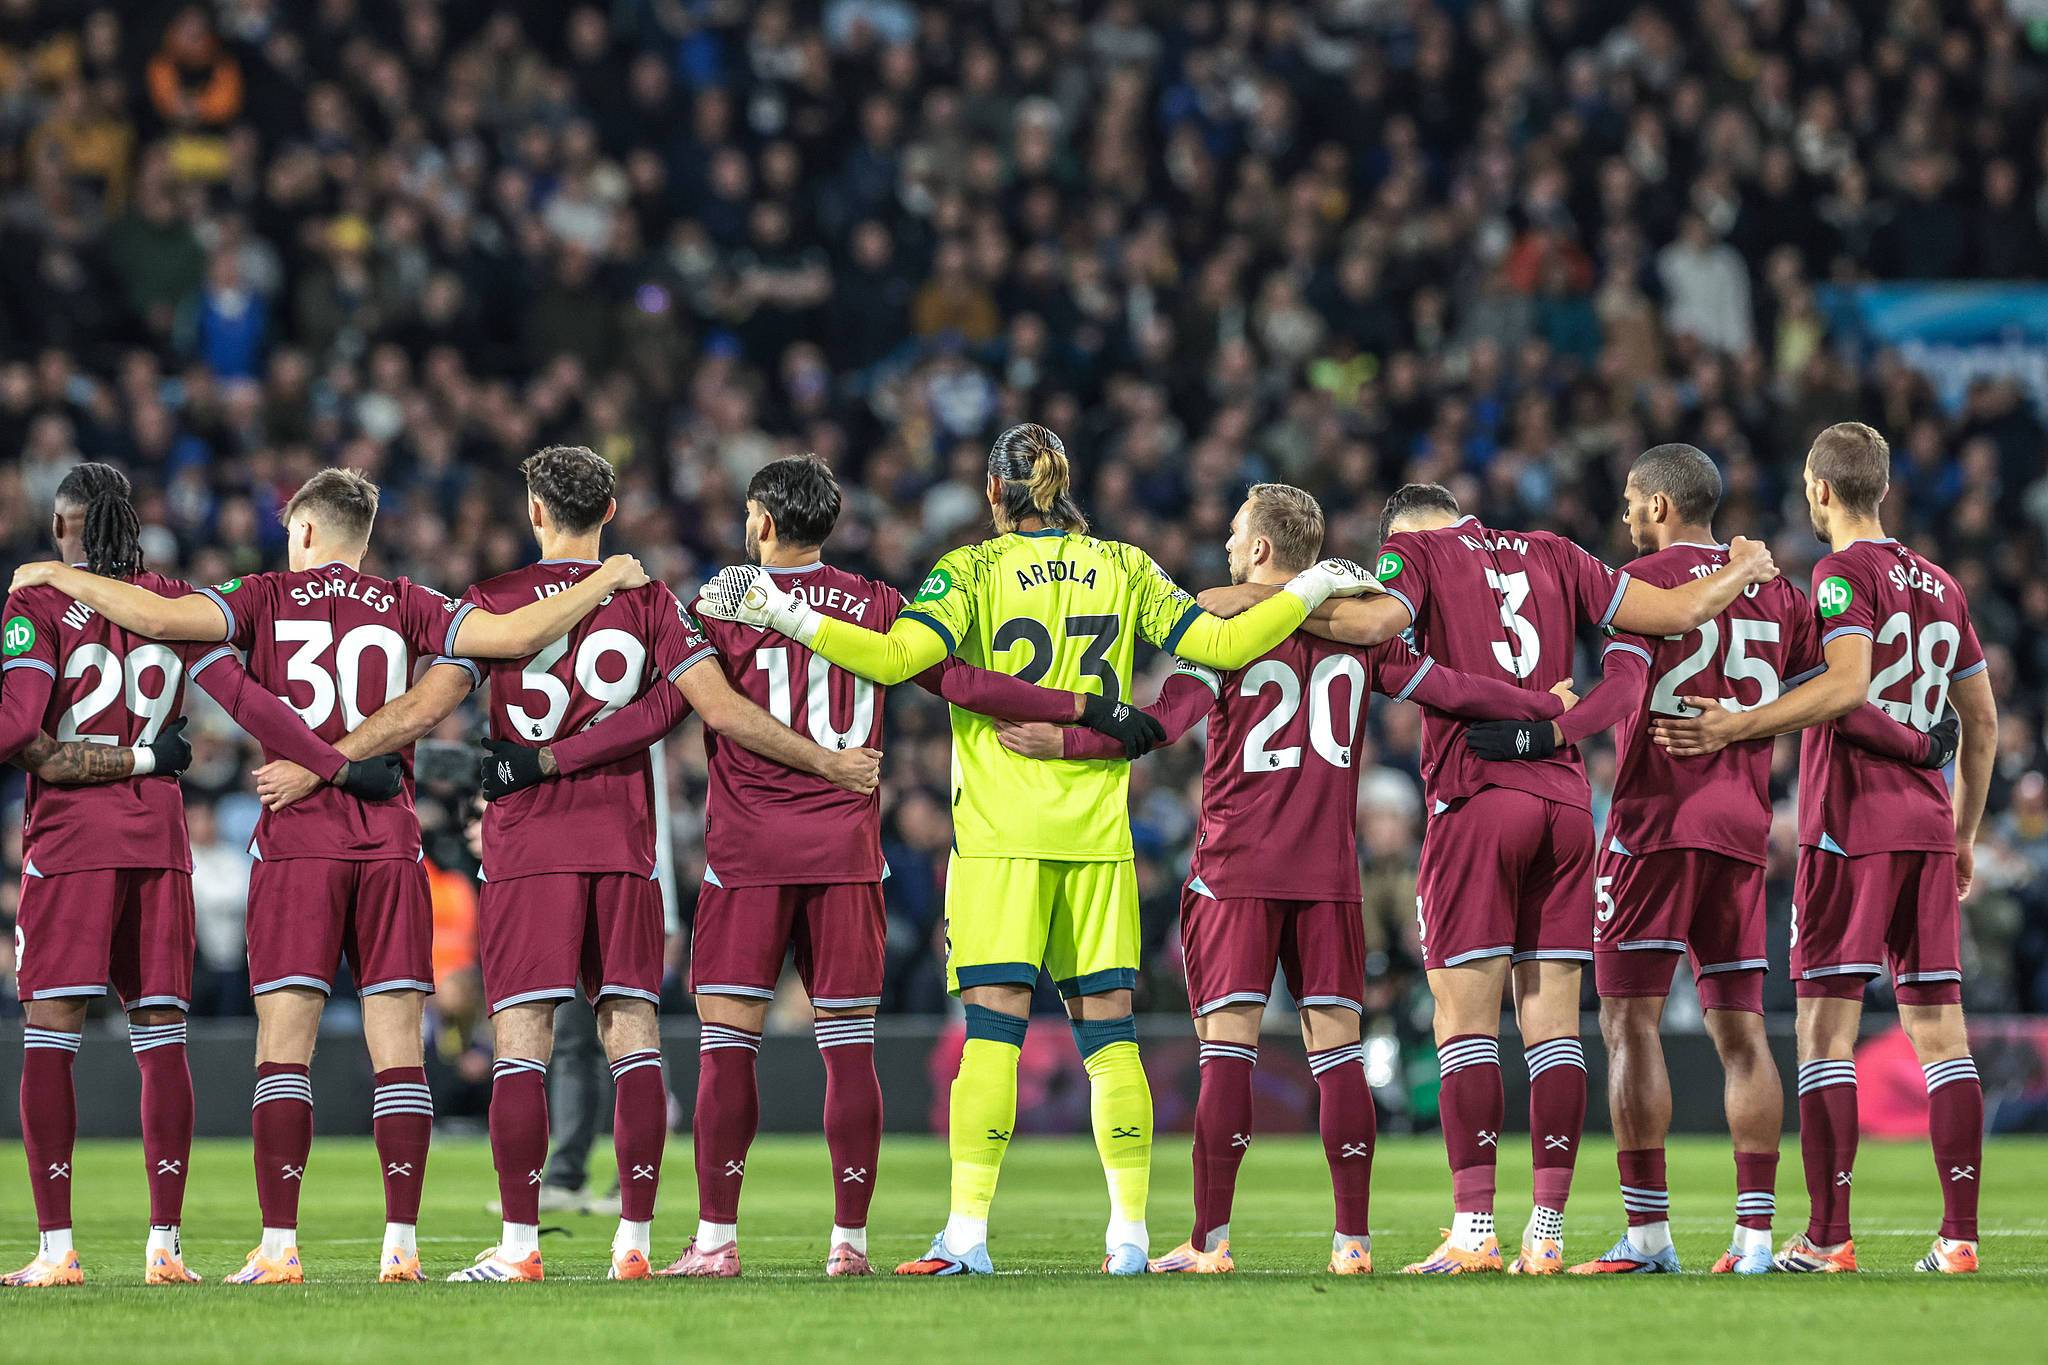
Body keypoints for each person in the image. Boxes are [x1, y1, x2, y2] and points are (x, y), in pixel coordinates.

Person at [696, 423, 1383, 1275]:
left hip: (1002, 836)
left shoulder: (970, 570)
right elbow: (1224, 645)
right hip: (1098, 836)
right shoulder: (1124, 565)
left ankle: (967, 1236)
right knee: (1112, 1038)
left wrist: (782, 612)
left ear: (994, 492)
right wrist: (1313, 581)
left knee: (992, 1032)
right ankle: (1130, 1236)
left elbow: (894, 657)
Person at [9, 467, 640, 1286]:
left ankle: (279, 1246)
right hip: (390, 840)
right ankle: (400, 1246)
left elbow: (161, 621)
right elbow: (515, 635)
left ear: (304, 530)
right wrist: (603, 577)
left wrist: (58, 574)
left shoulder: (262, 595)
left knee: (284, 1051)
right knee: (399, 1051)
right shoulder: (411, 600)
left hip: (295, 841)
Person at [487, 453, 1111, 1277]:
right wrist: (1083, 709)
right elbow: (959, 679)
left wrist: (547, 761)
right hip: (847, 857)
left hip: (747, 857)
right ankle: (849, 1242)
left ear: (765, 522)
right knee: (849, 1051)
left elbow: (667, 708)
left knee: (727, 1049)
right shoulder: (879, 604)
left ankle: (716, 1240)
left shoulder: (722, 601)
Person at [997, 482, 1577, 1275]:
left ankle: (1209, 1241)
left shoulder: (1225, 634)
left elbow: (1160, 724)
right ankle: (1353, 1242)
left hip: (1237, 870)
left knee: (1227, 1051)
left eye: (1236, 535)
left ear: (1262, 549)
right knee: (1339, 1056)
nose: (1228, 547)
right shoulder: (1361, 637)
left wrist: (1064, 741)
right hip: (1330, 876)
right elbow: (1451, 687)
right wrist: (1541, 703)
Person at [1203, 480, 1777, 1274]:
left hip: (1476, 797)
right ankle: (1547, 1232)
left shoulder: (1415, 552)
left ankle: (1475, 1229)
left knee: (1464, 1024)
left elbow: (1370, 624)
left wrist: (1269, 599)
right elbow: (1679, 611)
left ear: (1401, 531)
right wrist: (1743, 567)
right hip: (1568, 807)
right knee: (1554, 1030)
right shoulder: (1556, 552)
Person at [347, 445, 872, 1284]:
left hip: (527, 843)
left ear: (535, 511)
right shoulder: (650, 600)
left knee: (523, 1038)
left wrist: (335, 756)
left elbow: (426, 705)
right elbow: (701, 704)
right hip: (626, 845)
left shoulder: (494, 600)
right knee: (631, 1035)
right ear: (611, 512)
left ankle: (519, 1245)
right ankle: (634, 1240)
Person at [1466, 444, 1938, 1275]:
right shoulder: (1779, 592)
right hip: (1743, 832)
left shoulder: (1644, 589)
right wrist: (1917, 743)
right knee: (1742, 1028)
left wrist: (1547, 732)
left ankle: (1649, 1236)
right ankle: (1753, 1239)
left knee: (1629, 1023)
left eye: (1629, 500)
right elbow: (1838, 693)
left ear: (1658, 505)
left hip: (1652, 827)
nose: (1624, 515)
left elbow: (1622, 692)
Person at [0, 462, 386, 1288]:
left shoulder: (36, 602)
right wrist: (340, 765)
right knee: (160, 1039)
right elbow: (250, 703)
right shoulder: (174, 604)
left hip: (69, 843)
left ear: (62, 529)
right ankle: (165, 1247)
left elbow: (16, 727)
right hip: (159, 841)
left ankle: (57, 1249)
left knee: (51, 1037)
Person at [1650, 422, 1997, 1274]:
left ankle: (1829, 1235)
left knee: (1824, 1030)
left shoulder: (1841, 575)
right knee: (1942, 1034)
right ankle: (1959, 1237)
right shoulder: (1943, 584)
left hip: (1851, 827)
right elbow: (1982, 723)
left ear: (1820, 491)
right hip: (1927, 827)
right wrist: (1962, 833)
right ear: (1884, 487)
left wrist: (1738, 723)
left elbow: (1844, 687)